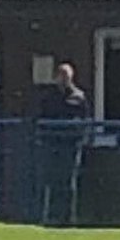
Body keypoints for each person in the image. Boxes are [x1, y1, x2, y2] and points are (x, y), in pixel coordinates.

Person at [38, 62, 90, 225]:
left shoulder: (79, 97)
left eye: (66, 76)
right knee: (52, 181)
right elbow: (41, 117)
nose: (63, 79)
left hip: (71, 144)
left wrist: (81, 138)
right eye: (61, 76)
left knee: (69, 182)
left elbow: (85, 120)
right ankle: (50, 217)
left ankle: (68, 218)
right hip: (52, 144)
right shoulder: (49, 97)